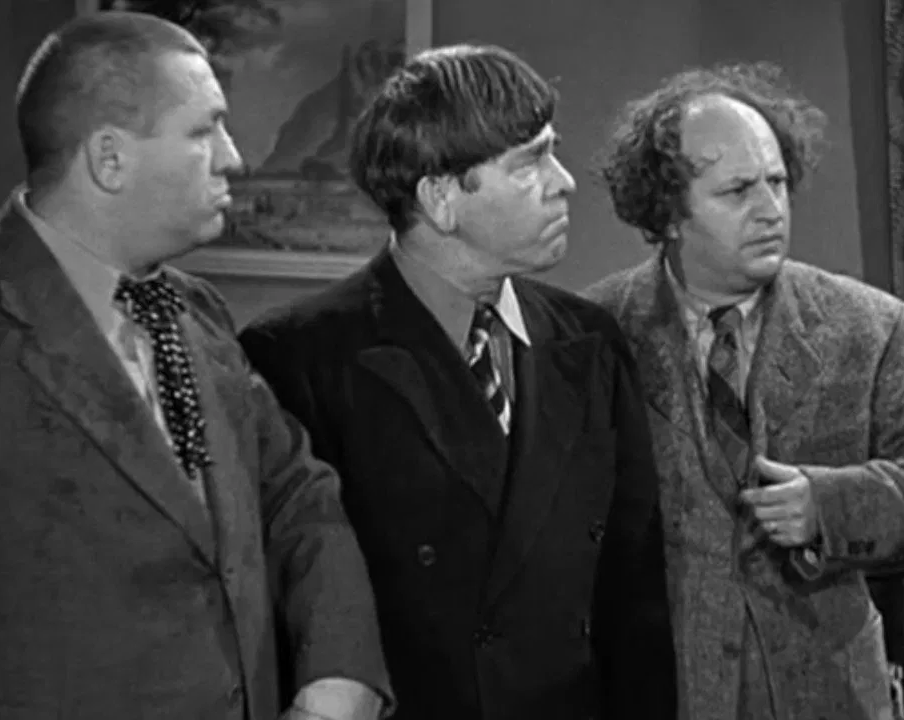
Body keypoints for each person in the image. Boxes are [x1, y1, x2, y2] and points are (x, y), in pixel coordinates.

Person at [0, 12, 392, 720]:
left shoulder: (195, 310)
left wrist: (338, 679)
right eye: (205, 131)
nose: (234, 158)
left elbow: (298, 497)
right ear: (109, 159)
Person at [237, 44, 677, 720]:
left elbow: (635, 595)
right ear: (441, 199)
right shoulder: (296, 358)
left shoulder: (590, 342)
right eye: (530, 162)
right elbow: (295, 613)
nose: (563, 182)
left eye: (553, 153)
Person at [583, 62, 904, 720]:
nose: (770, 211)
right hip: (662, 690)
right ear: (669, 213)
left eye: (777, 183)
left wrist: (829, 507)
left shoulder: (870, 326)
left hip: (829, 694)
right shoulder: (596, 333)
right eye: (737, 192)